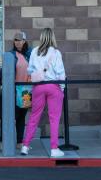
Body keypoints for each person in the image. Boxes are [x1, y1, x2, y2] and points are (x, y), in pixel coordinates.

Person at [20, 27, 67, 158]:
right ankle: (54, 148)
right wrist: (61, 89)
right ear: (52, 37)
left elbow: (29, 71)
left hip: (38, 87)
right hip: (53, 87)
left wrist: (39, 71)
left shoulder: (35, 51)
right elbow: (61, 73)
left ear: (41, 37)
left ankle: (25, 146)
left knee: (34, 117)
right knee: (54, 119)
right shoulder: (56, 53)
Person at [10, 31, 32, 146]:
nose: (17, 42)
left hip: (26, 90)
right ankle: (4, 141)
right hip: (14, 89)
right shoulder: (11, 54)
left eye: (20, 40)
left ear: (24, 41)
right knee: (10, 115)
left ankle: (19, 141)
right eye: (16, 40)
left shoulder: (30, 53)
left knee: (22, 116)